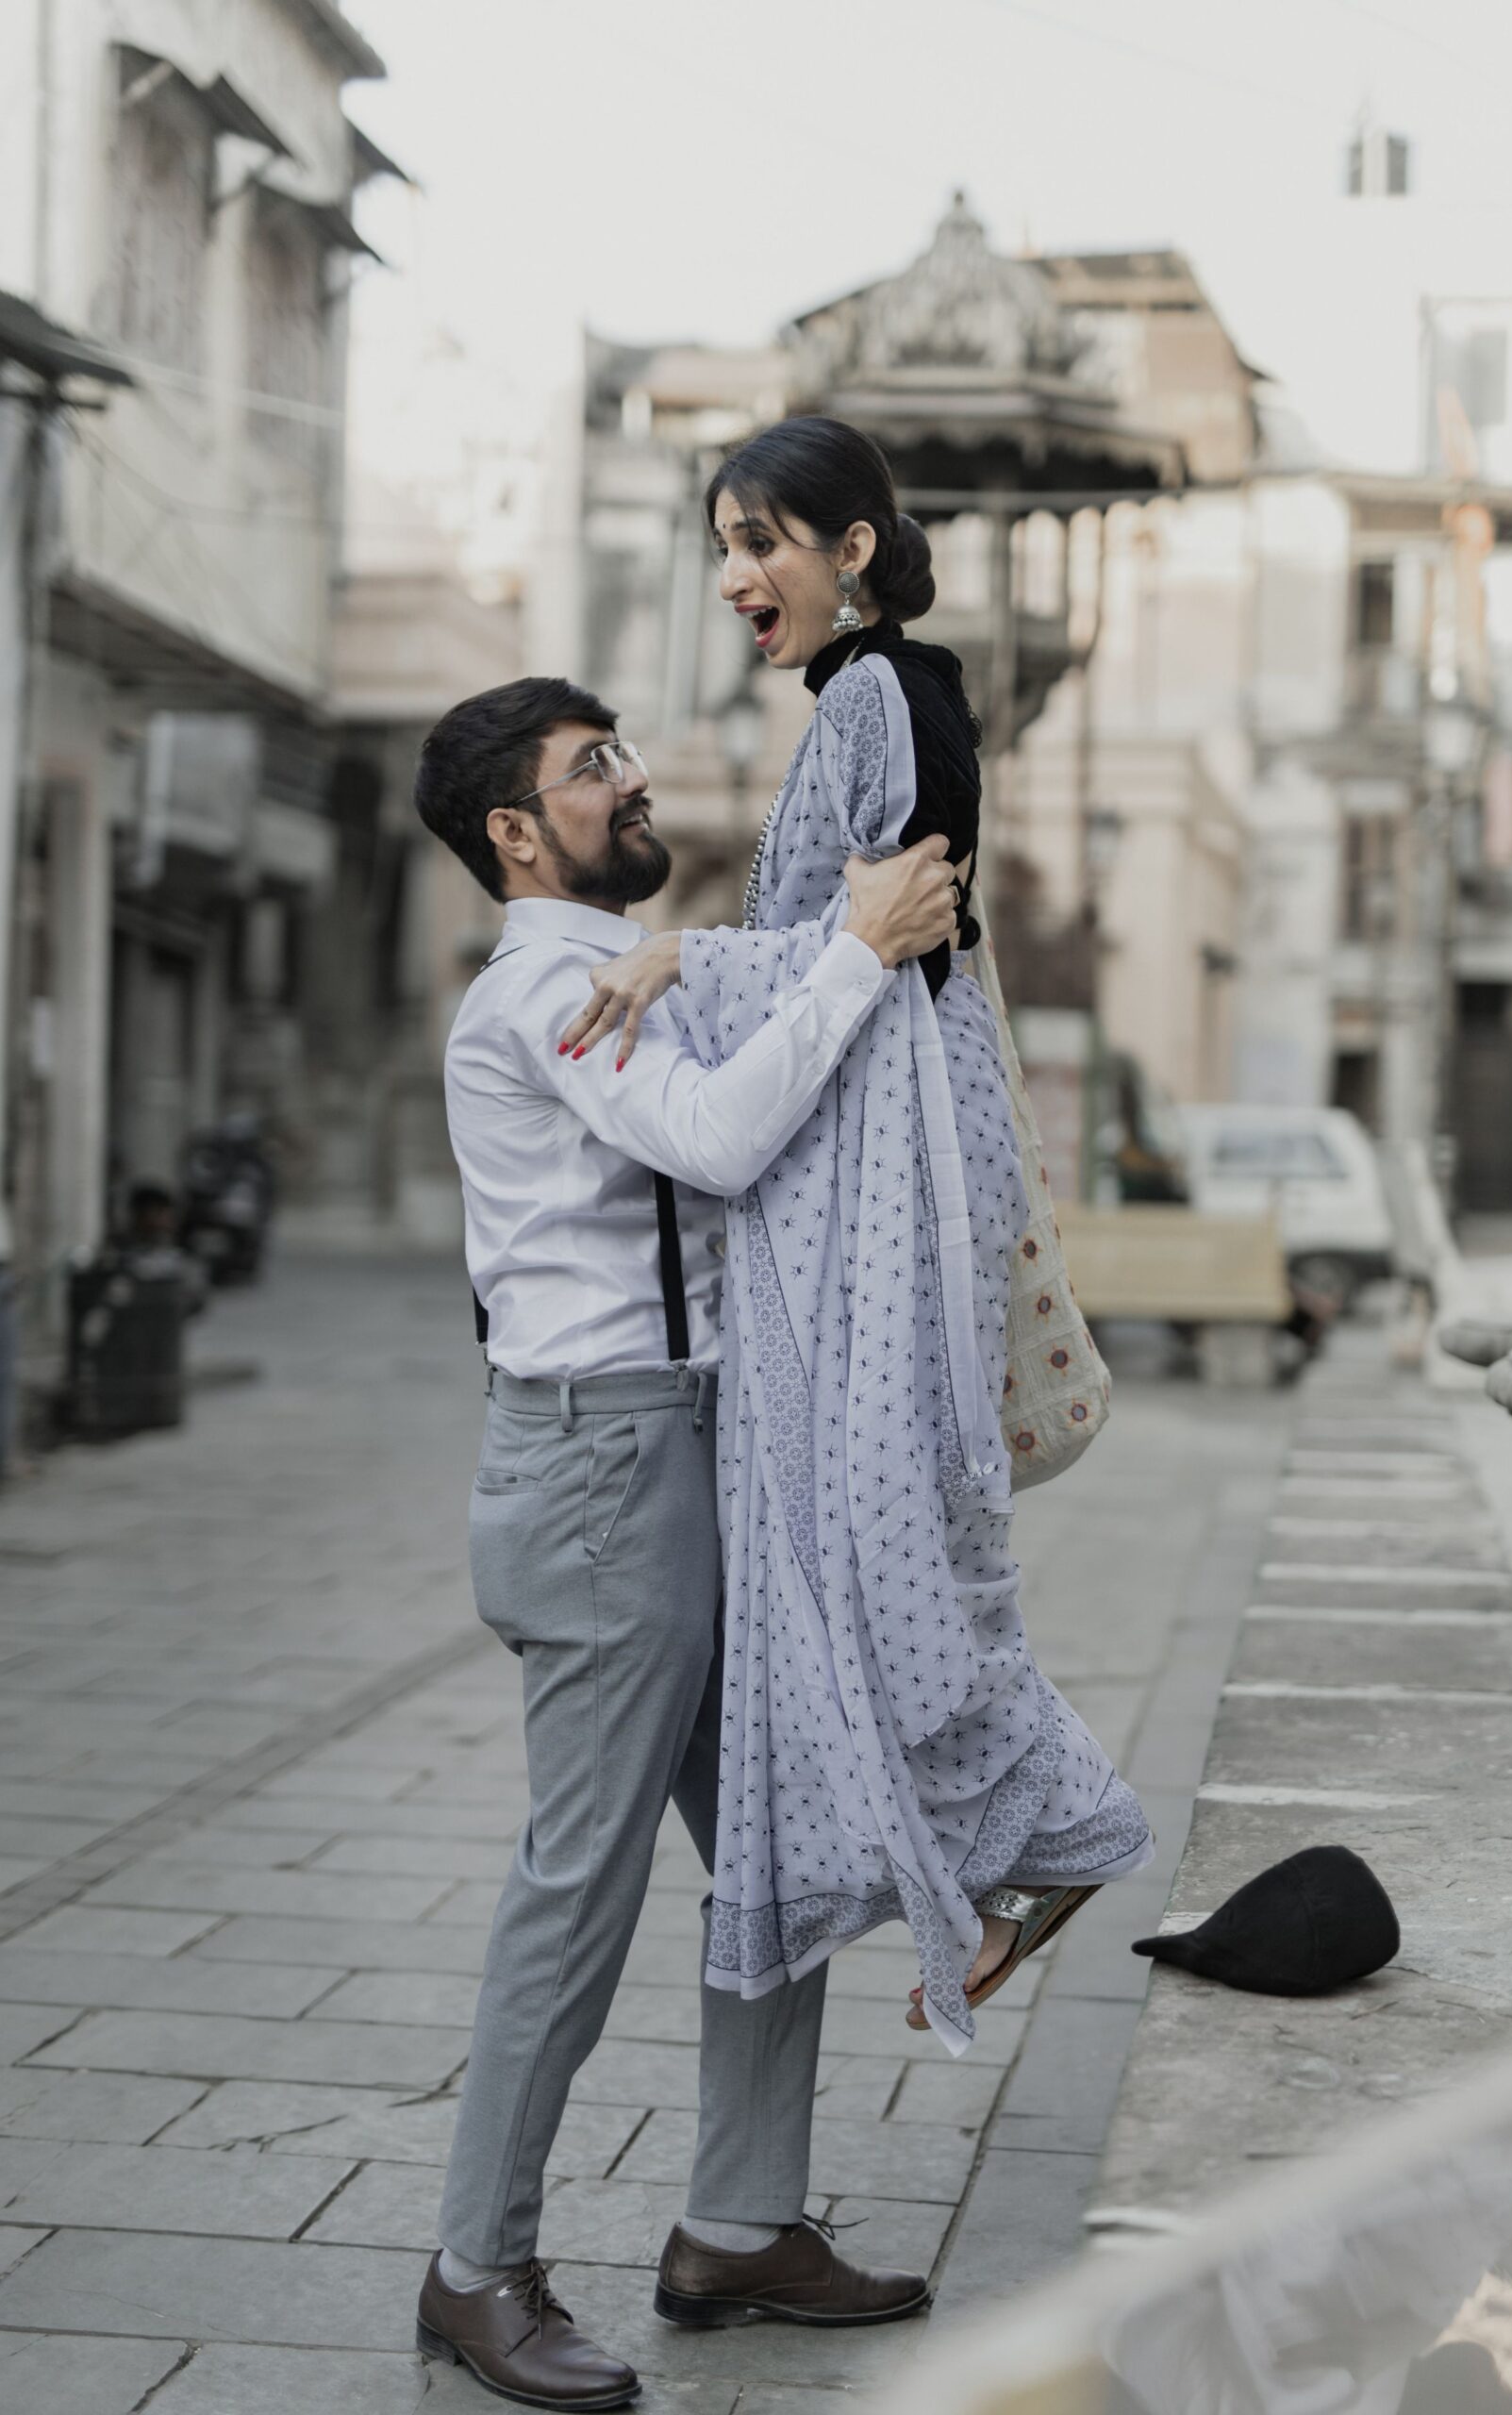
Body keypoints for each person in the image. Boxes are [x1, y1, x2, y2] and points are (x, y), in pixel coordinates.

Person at [558, 417, 1155, 2059]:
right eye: (724, 548)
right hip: (885, 1171)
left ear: (855, 549)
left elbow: (890, 934)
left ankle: (1047, 1822)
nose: (736, 579)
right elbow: (867, 937)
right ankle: (1008, 1843)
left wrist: (685, 954)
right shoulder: (882, 695)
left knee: (876, 1530)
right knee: (870, 1531)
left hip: (891, 1184)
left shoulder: (882, 693)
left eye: (762, 542)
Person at [411, 675, 958, 2408]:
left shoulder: (631, 965)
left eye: (623, 753)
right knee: (578, 1888)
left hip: (701, 1448)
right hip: (602, 1474)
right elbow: (716, 1139)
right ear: (516, 832)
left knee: (783, 1852)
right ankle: (474, 2268)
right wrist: (856, 952)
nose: (633, 781)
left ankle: (738, 2226)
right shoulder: (542, 996)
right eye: (594, 770)